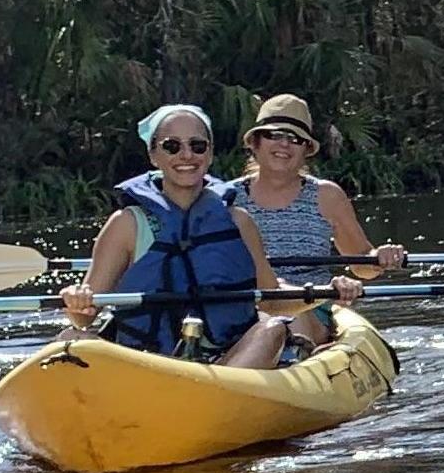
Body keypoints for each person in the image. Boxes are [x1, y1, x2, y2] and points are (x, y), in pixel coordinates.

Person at [58, 104, 357, 367]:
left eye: (197, 146)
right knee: (70, 337)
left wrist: (323, 292)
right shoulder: (126, 225)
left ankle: (214, 393)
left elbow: (271, 298)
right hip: (145, 363)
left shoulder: (238, 221)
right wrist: (77, 301)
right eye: (172, 146)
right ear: (154, 156)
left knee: (273, 328)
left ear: (210, 154)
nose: (186, 155)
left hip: (224, 362)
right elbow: (85, 316)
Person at [231, 94, 405, 335]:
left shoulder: (327, 195)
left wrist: (380, 257)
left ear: (306, 150)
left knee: (291, 319)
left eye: (295, 139)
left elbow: (361, 262)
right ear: (256, 143)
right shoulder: (226, 197)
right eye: (274, 135)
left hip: (310, 305)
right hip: (245, 305)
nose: (284, 144)